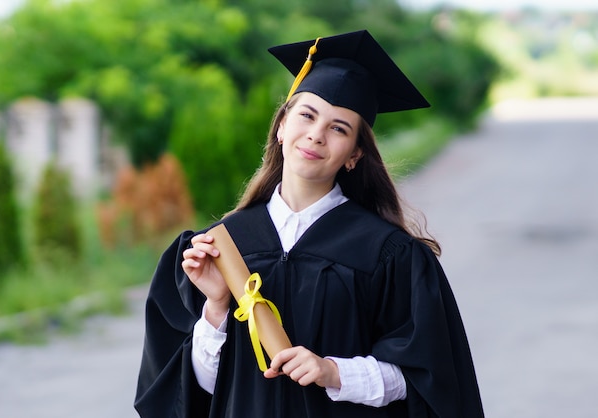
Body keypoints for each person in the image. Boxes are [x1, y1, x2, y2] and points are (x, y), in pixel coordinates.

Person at [134, 29, 484, 418]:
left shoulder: (389, 255)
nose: (316, 135)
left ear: (354, 155)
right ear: (281, 127)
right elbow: (193, 394)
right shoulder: (220, 248)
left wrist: (333, 372)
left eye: (339, 128)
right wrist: (216, 307)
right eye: (307, 115)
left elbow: (427, 381)